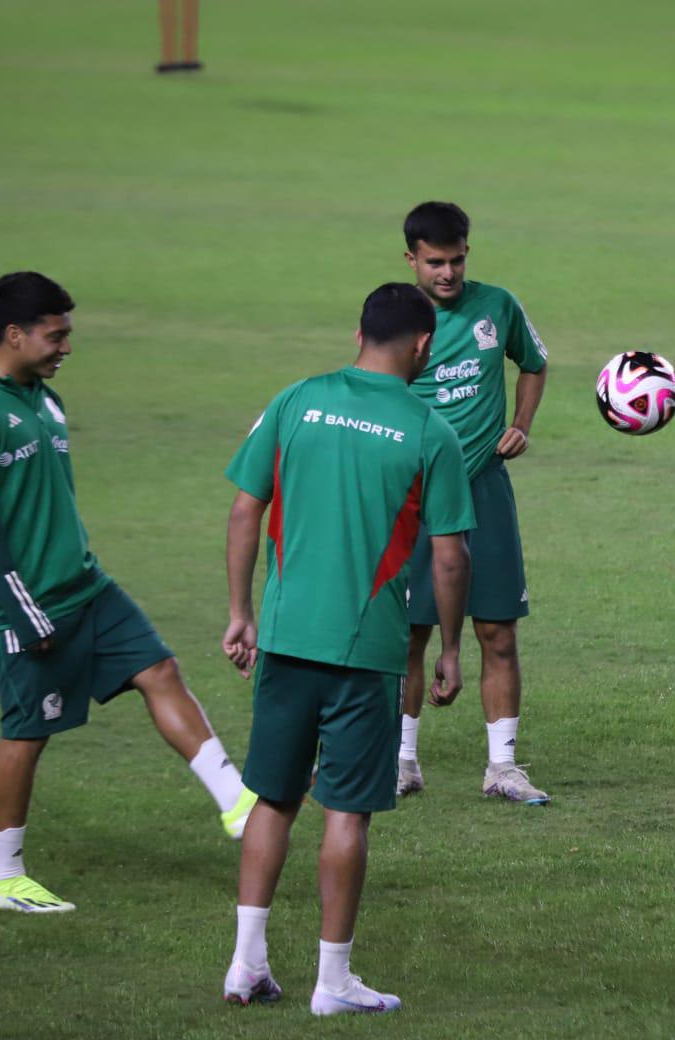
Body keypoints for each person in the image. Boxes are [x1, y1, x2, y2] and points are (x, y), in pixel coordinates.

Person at [0, 272, 257, 915]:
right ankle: (2, 876)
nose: (66, 348)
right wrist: (23, 612)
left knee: (159, 669)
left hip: (87, 585)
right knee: (27, 733)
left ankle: (237, 802)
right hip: (28, 604)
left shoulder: (44, 400)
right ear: (14, 334)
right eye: (56, 336)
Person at [220, 283, 473, 1014]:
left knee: (272, 798)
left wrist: (241, 611)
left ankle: (246, 966)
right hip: (365, 651)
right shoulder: (431, 432)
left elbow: (245, 508)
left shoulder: (295, 401)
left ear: (359, 332)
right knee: (345, 814)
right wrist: (451, 647)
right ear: (423, 345)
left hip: (286, 635)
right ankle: (332, 982)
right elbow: (449, 559)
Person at [396, 201, 552, 805]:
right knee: (409, 634)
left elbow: (534, 364)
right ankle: (402, 761)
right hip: (414, 494)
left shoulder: (497, 306)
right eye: (435, 262)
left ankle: (503, 769)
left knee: (499, 631)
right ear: (411, 258)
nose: (448, 273)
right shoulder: (398, 319)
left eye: (457, 260)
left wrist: (520, 423)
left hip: (484, 485)